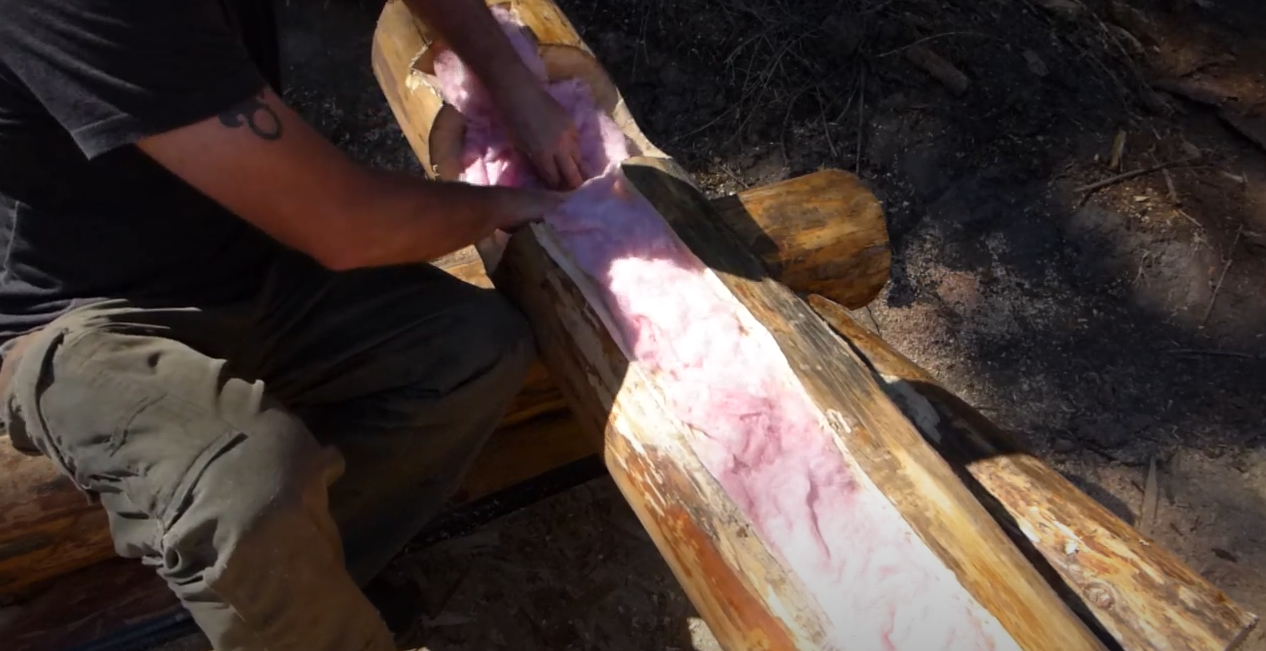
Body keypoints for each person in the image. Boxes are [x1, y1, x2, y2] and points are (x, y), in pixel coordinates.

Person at [0, 0, 586, 649]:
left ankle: (303, 589)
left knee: (472, 352)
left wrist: (510, 81)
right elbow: (343, 224)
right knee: (243, 488)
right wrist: (516, 203)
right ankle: (290, 603)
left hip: (242, 248)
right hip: (82, 316)